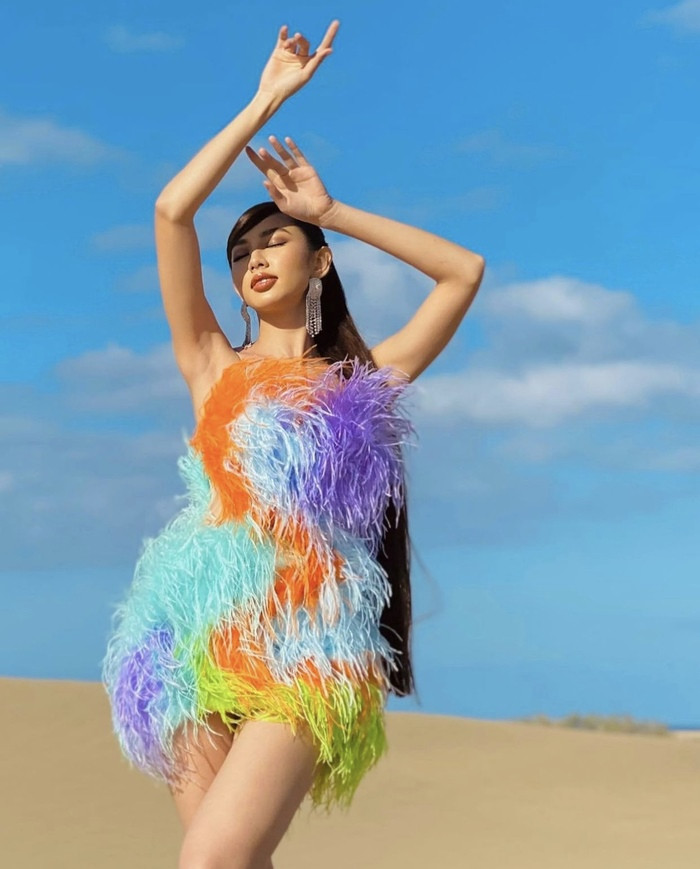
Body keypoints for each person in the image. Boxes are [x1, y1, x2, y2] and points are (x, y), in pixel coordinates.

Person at [101, 18, 485, 869]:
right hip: (189, 635)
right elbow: (171, 210)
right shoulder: (213, 365)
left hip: (310, 642)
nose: (254, 258)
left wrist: (329, 210)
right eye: (241, 254)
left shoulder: (363, 382)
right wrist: (263, 101)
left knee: (210, 860)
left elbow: (462, 271)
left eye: (276, 238)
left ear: (320, 263)